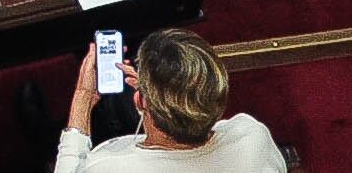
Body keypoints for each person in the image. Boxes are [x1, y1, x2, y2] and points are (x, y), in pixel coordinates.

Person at [54, 28, 282, 173]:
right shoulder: (253, 136)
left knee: (113, 114)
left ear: (140, 101)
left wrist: (83, 97)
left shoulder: (107, 167)